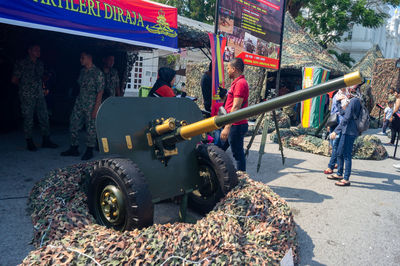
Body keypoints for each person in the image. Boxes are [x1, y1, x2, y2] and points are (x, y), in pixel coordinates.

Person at [11, 44, 58, 151]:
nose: (38, 52)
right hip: (27, 96)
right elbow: (14, 80)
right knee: (28, 118)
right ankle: (29, 141)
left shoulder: (40, 64)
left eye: (39, 50)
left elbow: (41, 79)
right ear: (29, 51)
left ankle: (46, 140)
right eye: (36, 50)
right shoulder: (22, 63)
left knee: (44, 117)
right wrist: (25, 88)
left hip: (39, 95)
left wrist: (44, 85)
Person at [61, 51, 105, 160]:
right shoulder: (82, 71)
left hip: (91, 104)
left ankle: (89, 150)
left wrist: (96, 109)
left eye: (82, 58)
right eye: (81, 58)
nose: (80, 60)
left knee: (90, 128)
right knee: (73, 123)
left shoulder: (97, 73)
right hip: (80, 103)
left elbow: (100, 92)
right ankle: (74, 147)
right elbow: (80, 86)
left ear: (89, 58)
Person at [217, 58, 249, 171]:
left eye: (228, 68)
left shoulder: (240, 83)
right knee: (218, 149)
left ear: (234, 69)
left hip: (236, 124)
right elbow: (231, 103)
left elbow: (236, 106)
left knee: (237, 154)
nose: (227, 71)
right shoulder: (236, 83)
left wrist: (227, 127)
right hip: (233, 124)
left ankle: (242, 179)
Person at [328, 85, 362, 186]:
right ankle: (339, 174)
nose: (346, 90)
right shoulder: (352, 100)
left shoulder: (355, 101)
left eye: (349, 88)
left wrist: (335, 131)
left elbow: (346, 118)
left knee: (346, 155)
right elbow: (343, 112)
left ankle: (346, 178)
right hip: (345, 131)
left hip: (349, 132)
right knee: (339, 152)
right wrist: (338, 102)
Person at [324, 87, 348, 174]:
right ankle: (337, 162)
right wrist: (329, 124)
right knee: (332, 143)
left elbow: (344, 112)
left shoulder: (346, 97)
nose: (343, 88)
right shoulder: (335, 95)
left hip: (340, 123)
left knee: (335, 145)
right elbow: (332, 110)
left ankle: (331, 166)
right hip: (333, 121)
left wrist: (342, 101)